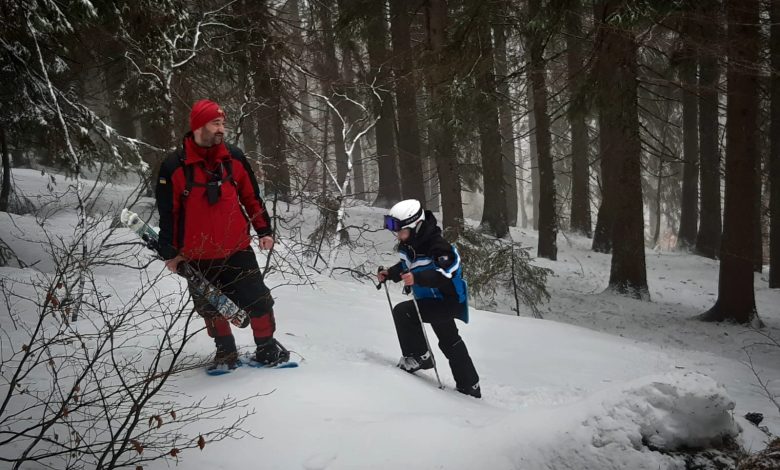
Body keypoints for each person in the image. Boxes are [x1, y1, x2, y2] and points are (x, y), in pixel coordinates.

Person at [155, 99, 289, 371]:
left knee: (259, 300)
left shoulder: (234, 158)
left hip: (237, 249)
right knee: (211, 307)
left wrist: (264, 230)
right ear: (198, 126)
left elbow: (252, 197)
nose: (221, 128)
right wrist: (170, 252)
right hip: (197, 255)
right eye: (216, 123)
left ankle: (266, 348)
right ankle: (225, 352)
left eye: (222, 123)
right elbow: (168, 213)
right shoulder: (173, 167)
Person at [377, 199, 481, 398]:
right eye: (396, 231)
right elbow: (406, 267)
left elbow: (445, 274)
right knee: (450, 340)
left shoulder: (439, 246)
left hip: (446, 301)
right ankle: (470, 386)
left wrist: (418, 278)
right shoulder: (409, 246)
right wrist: (389, 273)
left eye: (401, 230)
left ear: (416, 226)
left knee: (404, 312)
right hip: (430, 299)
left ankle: (420, 356)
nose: (398, 235)